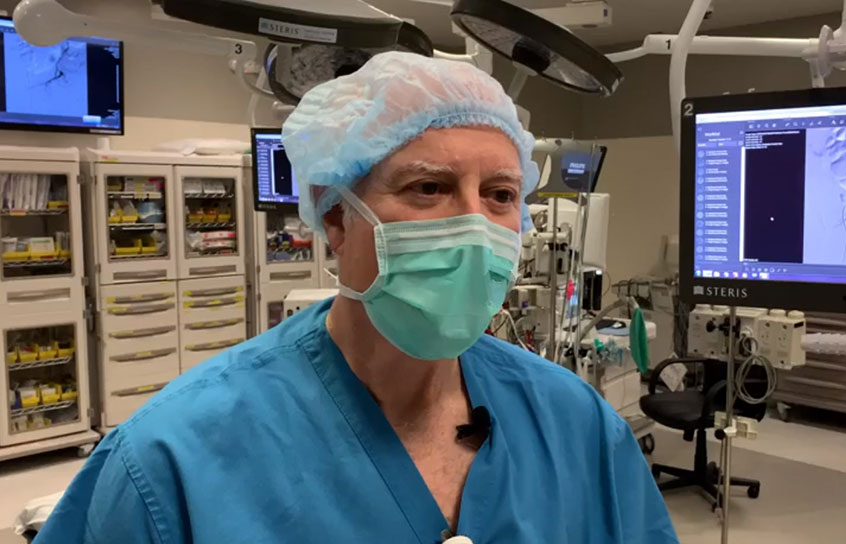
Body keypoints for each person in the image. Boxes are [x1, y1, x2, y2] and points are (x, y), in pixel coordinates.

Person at [34, 52, 678, 543]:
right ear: (336, 218)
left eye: (501, 195)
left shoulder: (577, 428)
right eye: (428, 188)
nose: (474, 227)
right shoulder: (174, 460)